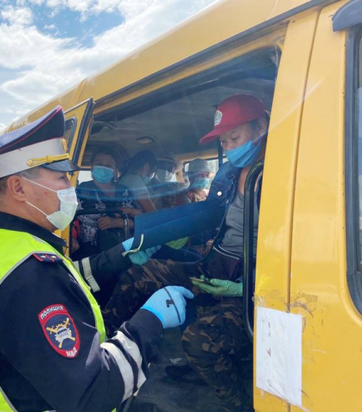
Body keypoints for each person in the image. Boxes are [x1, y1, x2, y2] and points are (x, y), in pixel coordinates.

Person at [0, 106, 193, 412]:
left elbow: (68, 280)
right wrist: (150, 320)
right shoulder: (30, 274)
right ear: (18, 187)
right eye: (62, 178)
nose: (71, 188)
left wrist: (122, 254)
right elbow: (93, 393)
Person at [103, 94, 269, 412]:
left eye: (234, 137)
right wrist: (151, 235)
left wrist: (247, 286)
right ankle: (104, 363)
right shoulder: (227, 175)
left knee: (198, 339)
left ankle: (243, 405)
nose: (229, 147)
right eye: (223, 141)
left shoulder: (284, 174)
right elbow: (206, 216)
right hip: (215, 266)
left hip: (257, 282)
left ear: (260, 127)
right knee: (140, 273)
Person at [72, 146, 140, 259]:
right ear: (92, 166)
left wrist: (117, 222)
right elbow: (68, 221)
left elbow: (138, 222)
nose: (103, 167)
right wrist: (72, 239)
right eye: (99, 163)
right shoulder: (80, 191)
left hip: (123, 253)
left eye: (109, 165)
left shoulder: (125, 192)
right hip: (89, 255)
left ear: (115, 170)